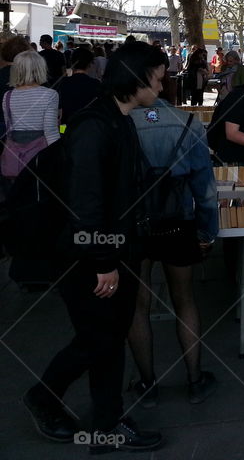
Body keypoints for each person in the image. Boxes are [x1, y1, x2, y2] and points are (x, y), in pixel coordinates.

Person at [23, 42, 166, 452]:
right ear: (137, 79)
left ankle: (105, 422)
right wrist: (105, 261)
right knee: (97, 340)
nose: (162, 85)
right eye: (158, 77)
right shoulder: (95, 126)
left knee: (104, 338)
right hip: (91, 256)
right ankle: (50, 400)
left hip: (110, 249)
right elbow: (86, 202)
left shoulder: (117, 120)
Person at [127, 86, 220, 408]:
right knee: (184, 299)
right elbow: (205, 188)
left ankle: (147, 384)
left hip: (134, 225)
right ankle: (195, 380)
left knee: (138, 305)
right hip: (178, 221)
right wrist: (207, 232)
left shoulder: (120, 123)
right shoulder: (187, 121)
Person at [2, 51, 60, 181]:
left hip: (14, 159)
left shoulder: (7, 96)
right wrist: (58, 157)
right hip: (39, 158)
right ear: (40, 69)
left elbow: (9, 129)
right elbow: (50, 132)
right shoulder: (50, 95)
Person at [58, 47, 101, 125]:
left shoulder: (64, 82)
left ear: (72, 62)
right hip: (88, 127)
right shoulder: (96, 84)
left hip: (67, 127)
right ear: (89, 64)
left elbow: (60, 108)